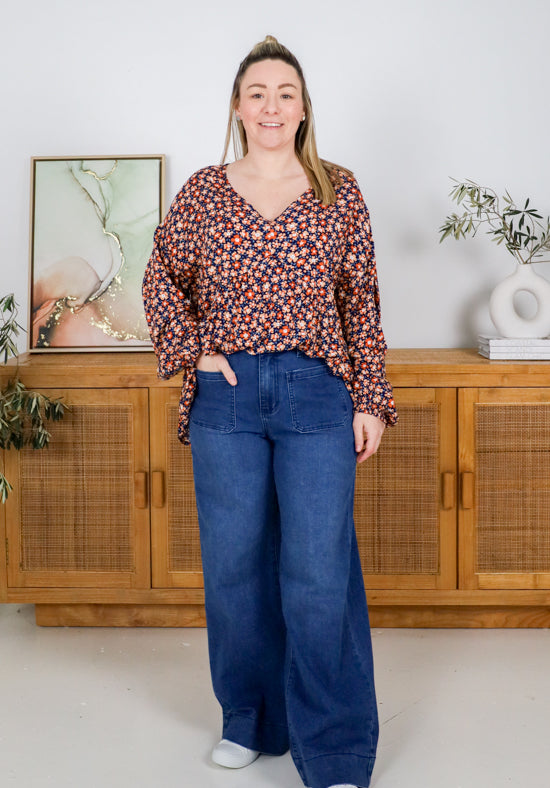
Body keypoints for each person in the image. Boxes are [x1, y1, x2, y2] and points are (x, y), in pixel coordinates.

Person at [142, 34, 397, 788]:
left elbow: (361, 301)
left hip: (318, 390)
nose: (272, 105)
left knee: (318, 572)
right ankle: (248, 718)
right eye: (258, 92)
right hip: (227, 396)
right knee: (234, 568)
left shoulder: (338, 191)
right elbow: (160, 278)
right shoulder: (203, 190)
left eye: (286, 92)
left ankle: (337, 748)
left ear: (305, 106)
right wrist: (196, 352)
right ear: (237, 107)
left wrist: (372, 400)